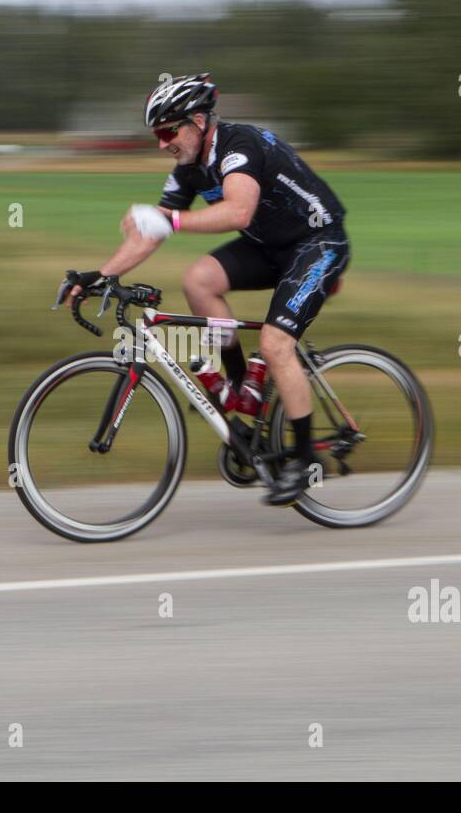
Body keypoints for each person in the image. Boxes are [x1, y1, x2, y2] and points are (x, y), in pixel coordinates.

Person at [67, 73, 349, 506]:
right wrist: (99, 275)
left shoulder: (239, 147)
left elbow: (238, 211)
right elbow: (151, 232)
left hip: (317, 244)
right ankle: (244, 398)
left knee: (276, 345)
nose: (162, 143)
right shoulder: (187, 169)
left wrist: (172, 221)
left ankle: (304, 461)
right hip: (270, 247)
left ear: (198, 121)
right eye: (156, 134)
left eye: (167, 131)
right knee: (198, 281)